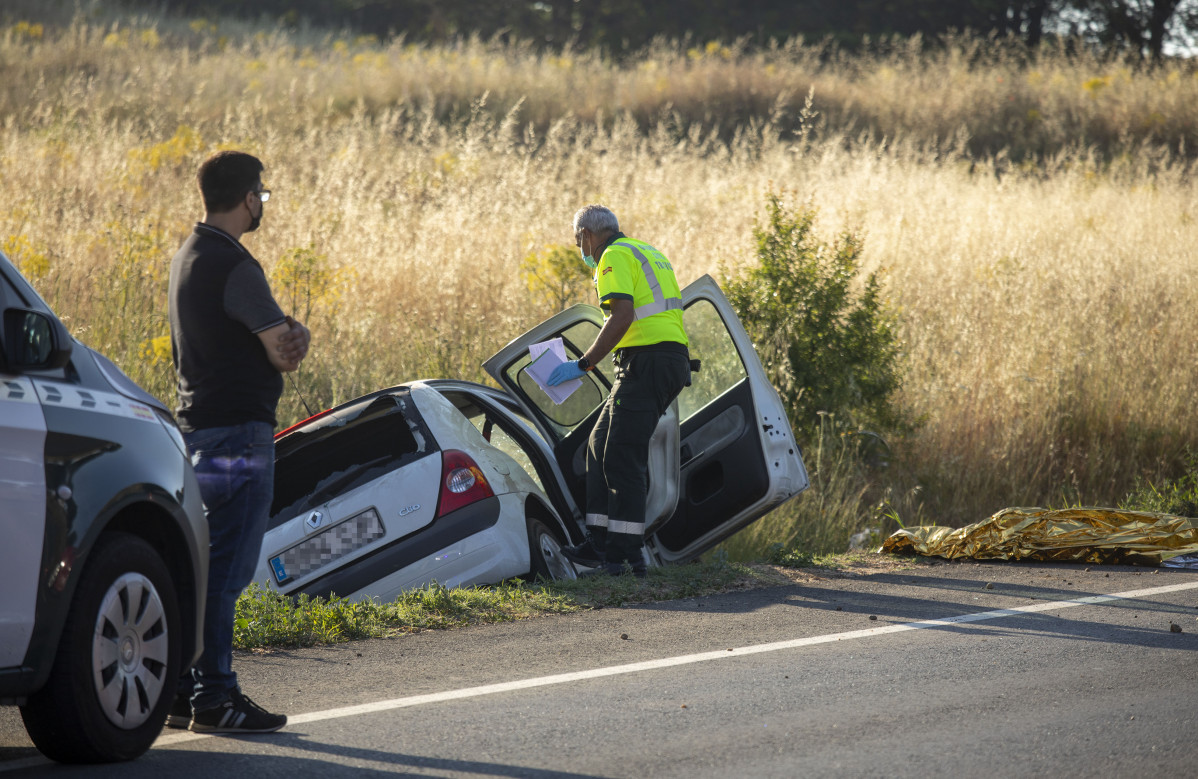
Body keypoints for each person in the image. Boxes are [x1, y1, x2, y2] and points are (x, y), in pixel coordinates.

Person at [166, 150, 310, 733]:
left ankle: (179, 689)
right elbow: (283, 350)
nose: (262, 205)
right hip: (240, 435)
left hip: (198, 432)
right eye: (262, 196)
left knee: (201, 566)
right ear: (249, 197)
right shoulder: (236, 266)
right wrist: (295, 333)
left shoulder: (187, 257)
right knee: (226, 571)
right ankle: (217, 697)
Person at [547, 205, 690, 577]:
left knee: (622, 456)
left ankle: (626, 555)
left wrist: (584, 363)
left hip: (648, 362)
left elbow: (621, 315)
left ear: (589, 236)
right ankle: (599, 542)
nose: (579, 246)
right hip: (661, 361)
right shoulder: (647, 251)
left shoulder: (612, 256)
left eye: (578, 239)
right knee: (599, 444)